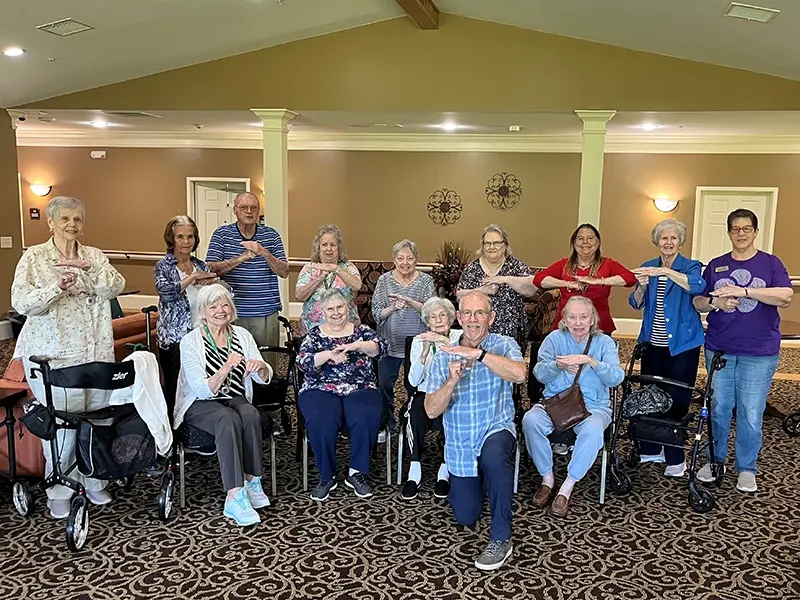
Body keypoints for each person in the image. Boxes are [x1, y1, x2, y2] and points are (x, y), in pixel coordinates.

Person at [11, 196, 125, 519]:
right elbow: (21, 302)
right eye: (65, 219)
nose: (72, 225)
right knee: (63, 424)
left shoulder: (94, 256)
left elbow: (116, 285)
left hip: (96, 352)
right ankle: (59, 488)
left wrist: (90, 273)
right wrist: (55, 287)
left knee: (97, 417)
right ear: (50, 222)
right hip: (55, 358)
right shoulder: (34, 258)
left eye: (77, 219)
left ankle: (93, 480)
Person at [424, 290, 527, 572]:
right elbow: (431, 410)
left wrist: (479, 355)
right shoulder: (443, 354)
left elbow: (519, 374)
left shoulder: (503, 344)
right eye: (467, 313)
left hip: (496, 427)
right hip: (460, 443)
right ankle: (481, 481)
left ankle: (501, 539)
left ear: (490, 317)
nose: (472, 320)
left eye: (479, 313)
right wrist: (450, 382)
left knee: (494, 458)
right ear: (458, 317)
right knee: (466, 516)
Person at [692, 208, 793, 493]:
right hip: (720, 348)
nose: (740, 233)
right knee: (719, 408)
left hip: (759, 351)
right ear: (729, 232)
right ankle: (716, 461)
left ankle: (747, 467)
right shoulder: (716, 265)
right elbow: (698, 301)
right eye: (735, 229)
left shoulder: (771, 263)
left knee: (750, 411)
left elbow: (784, 296)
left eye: (746, 228)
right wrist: (716, 304)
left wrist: (744, 292)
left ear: (755, 232)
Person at [174, 284, 273, 526]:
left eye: (225, 304)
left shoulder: (241, 335)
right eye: (213, 306)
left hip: (236, 398)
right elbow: (200, 389)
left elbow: (264, 375)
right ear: (203, 312)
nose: (221, 310)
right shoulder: (190, 341)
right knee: (226, 418)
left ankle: (252, 480)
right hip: (200, 403)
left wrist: (261, 367)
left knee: (250, 414)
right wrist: (227, 367)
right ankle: (234, 495)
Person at [522, 296, 624, 517]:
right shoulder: (553, 339)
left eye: (583, 317)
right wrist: (557, 366)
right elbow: (539, 373)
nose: (578, 322)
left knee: (594, 430)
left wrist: (592, 362)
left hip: (593, 407)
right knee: (530, 420)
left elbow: (617, 378)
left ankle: (567, 486)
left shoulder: (604, 343)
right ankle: (547, 478)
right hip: (556, 403)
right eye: (572, 317)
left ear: (592, 319)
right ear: (564, 319)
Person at [629, 218, 705, 476]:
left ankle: (675, 457)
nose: (668, 242)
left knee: (677, 398)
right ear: (657, 242)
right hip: (652, 343)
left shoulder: (690, 266)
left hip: (682, 345)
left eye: (673, 238)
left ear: (680, 241)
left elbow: (698, 285)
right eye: (664, 238)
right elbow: (635, 302)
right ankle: (651, 448)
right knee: (651, 395)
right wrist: (641, 286)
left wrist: (666, 272)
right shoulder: (648, 267)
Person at [297, 288, 388, 501]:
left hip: (359, 386)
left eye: (340, 307)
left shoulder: (361, 330)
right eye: (330, 309)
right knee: (321, 419)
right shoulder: (315, 334)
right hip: (319, 388)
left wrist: (358, 346)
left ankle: (357, 472)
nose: (336, 313)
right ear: (323, 311)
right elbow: (303, 363)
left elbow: (381, 349)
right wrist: (327, 354)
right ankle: (326, 476)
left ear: (347, 308)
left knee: (365, 415)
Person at [205, 191, 288, 359]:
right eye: (244, 207)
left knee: (265, 362)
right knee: (234, 362)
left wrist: (263, 252)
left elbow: (284, 271)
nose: (249, 211)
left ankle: (265, 387)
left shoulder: (271, 235)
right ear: (235, 210)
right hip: (230, 311)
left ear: (258, 211)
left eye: (253, 208)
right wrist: (241, 258)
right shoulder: (221, 235)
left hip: (265, 311)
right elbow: (210, 270)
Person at [154, 215, 219, 416]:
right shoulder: (163, 266)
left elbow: (218, 296)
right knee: (174, 386)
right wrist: (192, 278)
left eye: (190, 237)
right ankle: (171, 434)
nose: (186, 242)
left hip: (202, 336)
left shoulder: (200, 265)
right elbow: (166, 293)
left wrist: (214, 284)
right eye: (180, 237)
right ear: (171, 239)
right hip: (174, 340)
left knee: (200, 383)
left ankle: (196, 426)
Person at [400, 296, 461, 501]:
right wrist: (424, 353)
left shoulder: (460, 337)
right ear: (427, 322)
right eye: (433, 317)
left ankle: (444, 470)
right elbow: (414, 380)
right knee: (413, 414)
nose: (438, 320)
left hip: (454, 391)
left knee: (453, 415)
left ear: (451, 318)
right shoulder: (419, 341)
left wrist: (443, 342)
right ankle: (414, 469)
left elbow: (462, 358)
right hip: (424, 391)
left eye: (443, 315)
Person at [372, 239, 435, 434]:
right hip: (389, 343)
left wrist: (409, 301)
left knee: (414, 387)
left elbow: (432, 311)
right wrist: (392, 308)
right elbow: (376, 313)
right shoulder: (384, 281)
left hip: (416, 346)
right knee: (383, 385)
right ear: (394, 260)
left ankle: (410, 421)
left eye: (410, 258)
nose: (405, 262)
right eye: (400, 258)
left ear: (416, 259)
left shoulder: (425, 281)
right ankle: (387, 423)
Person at [533, 223, 636, 335]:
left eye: (590, 238)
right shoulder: (564, 264)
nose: (585, 242)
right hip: (568, 322)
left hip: (598, 323)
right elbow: (538, 279)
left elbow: (630, 279)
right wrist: (568, 284)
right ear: (574, 243)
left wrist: (599, 281)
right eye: (580, 238)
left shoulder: (608, 264)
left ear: (598, 242)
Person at [457, 224, 536, 347]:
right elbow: (459, 295)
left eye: (496, 243)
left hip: (511, 331)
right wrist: (483, 290)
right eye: (487, 243)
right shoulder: (472, 268)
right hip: (478, 330)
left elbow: (532, 288)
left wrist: (505, 279)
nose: (491, 247)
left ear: (505, 245)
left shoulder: (515, 266)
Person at [295, 224, 362, 335]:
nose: (329, 249)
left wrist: (336, 268)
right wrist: (319, 279)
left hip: (346, 330)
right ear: (318, 248)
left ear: (339, 248)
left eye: (333, 245)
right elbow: (299, 296)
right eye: (324, 245)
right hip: (313, 330)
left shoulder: (348, 267)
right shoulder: (309, 268)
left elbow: (357, 286)